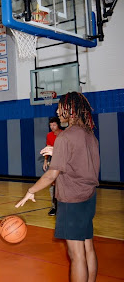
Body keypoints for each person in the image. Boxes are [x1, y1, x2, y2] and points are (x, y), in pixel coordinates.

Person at [16, 92, 100, 282]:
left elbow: (51, 175)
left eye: (60, 107)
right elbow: (79, 159)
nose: (57, 111)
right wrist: (58, 151)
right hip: (89, 198)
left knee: (76, 255)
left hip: (72, 199)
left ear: (69, 110)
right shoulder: (89, 135)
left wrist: (31, 191)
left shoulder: (65, 137)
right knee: (88, 247)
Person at [43, 116, 63, 216]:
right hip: (53, 162)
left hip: (63, 162)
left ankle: (64, 206)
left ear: (58, 125)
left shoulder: (64, 134)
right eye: (50, 125)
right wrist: (45, 161)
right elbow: (48, 148)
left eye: (54, 125)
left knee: (63, 184)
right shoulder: (49, 135)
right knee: (53, 185)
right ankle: (54, 207)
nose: (52, 127)